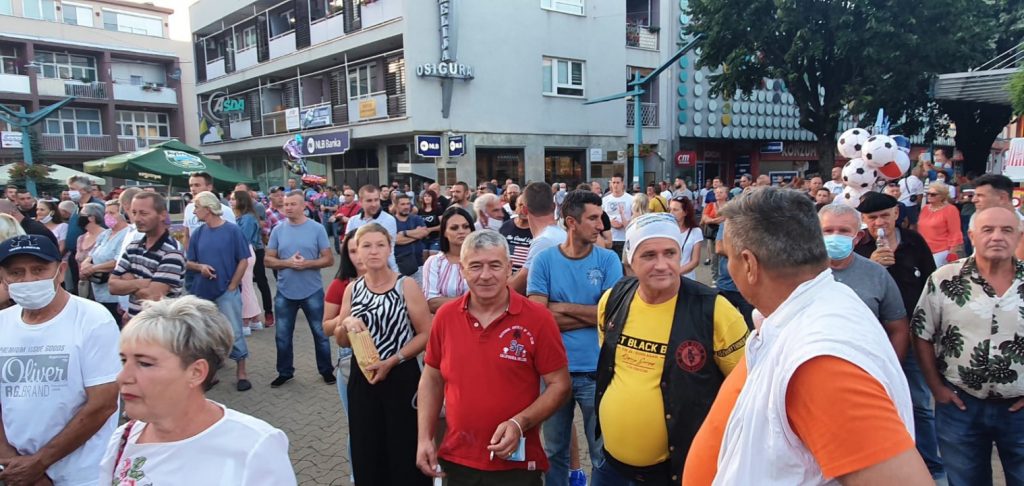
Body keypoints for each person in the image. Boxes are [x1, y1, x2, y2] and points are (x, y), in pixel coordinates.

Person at [683, 187, 927, 485]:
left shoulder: (820, 361)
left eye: (729, 258)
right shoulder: (801, 315)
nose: (728, 267)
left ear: (749, 264)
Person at [593, 213, 748, 484]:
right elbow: (612, 367)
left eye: (670, 253)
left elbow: (747, 390)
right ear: (630, 259)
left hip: (678, 470)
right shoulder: (613, 299)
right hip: (610, 466)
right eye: (649, 255)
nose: (662, 265)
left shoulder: (714, 310)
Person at [417, 229, 570, 485]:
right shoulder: (445, 317)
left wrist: (520, 422)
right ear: (463, 270)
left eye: (495, 265)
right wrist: (425, 437)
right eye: (475, 266)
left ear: (509, 268)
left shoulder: (538, 318)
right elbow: (431, 378)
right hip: (457, 459)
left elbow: (560, 385)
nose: (485, 275)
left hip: (517, 462)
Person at [97, 296, 295, 485]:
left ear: (196, 372)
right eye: (124, 361)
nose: (122, 377)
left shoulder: (254, 447)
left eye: (145, 363)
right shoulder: (123, 439)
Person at [912, 206, 1024, 485]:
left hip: (1020, 409)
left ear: (1019, 236)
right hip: (960, 405)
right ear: (971, 235)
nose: (997, 236)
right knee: (965, 481)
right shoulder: (945, 279)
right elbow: (921, 333)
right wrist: (936, 389)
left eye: (1007, 230)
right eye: (988, 230)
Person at [0, 234, 120, 486]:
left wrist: (40, 463)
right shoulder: (3, 324)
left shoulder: (92, 320)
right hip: (17, 472)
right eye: (16, 273)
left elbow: (103, 403)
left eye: (39, 270)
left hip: (81, 474)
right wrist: (12, 462)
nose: (29, 280)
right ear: (3, 277)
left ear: (61, 270)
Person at [527, 190, 621, 486]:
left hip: (597, 371)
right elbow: (537, 318)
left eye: (601, 218)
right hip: (554, 373)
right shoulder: (544, 261)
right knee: (554, 451)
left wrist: (561, 307)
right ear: (571, 222)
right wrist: (592, 314)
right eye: (593, 218)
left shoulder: (608, 260)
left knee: (602, 453)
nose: (601, 225)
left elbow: (613, 317)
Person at [333, 223, 433, 485]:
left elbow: (426, 333)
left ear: (390, 248)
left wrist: (394, 359)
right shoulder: (352, 289)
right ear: (356, 252)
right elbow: (341, 339)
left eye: (380, 245)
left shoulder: (406, 285)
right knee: (367, 448)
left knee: (404, 449)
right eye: (366, 246)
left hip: (401, 376)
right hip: (363, 377)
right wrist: (346, 324)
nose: (373, 251)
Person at [853, 191, 943, 480]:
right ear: (864, 221)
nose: (879, 222)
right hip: (872, 338)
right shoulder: (858, 247)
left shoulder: (914, 242)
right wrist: (873, 267)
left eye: (885, 215)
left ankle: (929, 462)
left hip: (915, 336)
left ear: (896, 215)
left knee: (918, 400)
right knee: (873, 402)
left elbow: (932, 284)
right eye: (872, 218)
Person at [818, 204, 909, 360]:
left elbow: (898, 328)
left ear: (858, 237)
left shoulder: (876, 274)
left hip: (865, 368)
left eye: (844, 231)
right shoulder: (796, 274)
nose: (835, 236)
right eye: (828, 231)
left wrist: (888, 370)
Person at [264, 191, 335, 387]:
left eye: (292, 204)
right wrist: (287, 262)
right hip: (285, 291)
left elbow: (329, 259)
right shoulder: (278, 230)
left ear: (303, 206)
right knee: (282, 336)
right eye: (285, 204)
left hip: (312, 291)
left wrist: (307, 264)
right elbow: (268, 260)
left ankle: (326, 370)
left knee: (321, 334)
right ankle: (285, 372)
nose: (288, 208)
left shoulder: (317, 229)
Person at [185, 191, 252, 392]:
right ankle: (211, 373)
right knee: (205, 335)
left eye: (197, 207)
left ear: (208, 208)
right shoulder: (198, 233)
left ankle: (241, 372)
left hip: (226, 290)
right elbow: (189, 262)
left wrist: (233, 285)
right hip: (203, 291)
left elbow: (243, 260)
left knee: (234, 331)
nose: (194, 212)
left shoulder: (232, 231)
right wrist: (200, 268)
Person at [321, 229, 362, 478]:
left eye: (366, 247)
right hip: (350, 361)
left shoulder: (397, 282)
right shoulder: (341, 284)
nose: (361, 255)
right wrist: (346, 319)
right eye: (354, 250)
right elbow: (325, 327)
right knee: (357, 426)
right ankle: (357, 476)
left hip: (390, 361)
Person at [109, 192, 185, 320]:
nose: (137, 219)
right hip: (136, 324)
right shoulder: (133, 247)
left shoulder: (171, 253)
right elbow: (112, 286)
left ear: (162, 215)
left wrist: (128, 280)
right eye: (134, 213)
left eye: (144, 213)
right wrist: (141, 282)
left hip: (158, 328)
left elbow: (153, 297)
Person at [81, 200, 130, 328]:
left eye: (112, 213)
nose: (108, 216)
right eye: (106, 213)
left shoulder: (127, 234)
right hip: (97, 289)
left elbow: (118, 261)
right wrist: (86, 263)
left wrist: (94, 268)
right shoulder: (105, 233)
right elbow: (92, 253)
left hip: (114, 292)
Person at [510, 182, 567, 294]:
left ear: (525, 210)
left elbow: (516, 287)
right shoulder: (561, 234)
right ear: (554, 206)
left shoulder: (544, 241)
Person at [422, 207, 474, 312]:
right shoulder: (434, 262)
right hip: (446, 322)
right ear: (444, 232)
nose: (461, 231)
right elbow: (431, 302)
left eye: (466, 227)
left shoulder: (483, 260)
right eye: (454, 228)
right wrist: (472, 303)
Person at [231, 190, 266, 332]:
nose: (231, 201)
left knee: (245, 287)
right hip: (246, 252)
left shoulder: (247, 219)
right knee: (247, 287)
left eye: (234, 199)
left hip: (244, 252)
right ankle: (254, 319)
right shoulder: (245, 217)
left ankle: (245, 321)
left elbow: (243, 239)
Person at [346, 185, 399, 272]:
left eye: (376, 200)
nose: (374, 204)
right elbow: (349, 248)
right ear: (360, 202)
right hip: (358, 271)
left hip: (385, 270)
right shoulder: (352, 221)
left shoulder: (389, 220)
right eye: (369, 201)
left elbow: (387, 249)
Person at [181, 172, 236, 255]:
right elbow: (186, 235)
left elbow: (232, 238)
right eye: (191, 185)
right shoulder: (189, 208)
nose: (193, 189)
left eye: (197, 185)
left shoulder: (225, 210)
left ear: (209, 187)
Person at [918, 181, 963, 267]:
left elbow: (955, 232)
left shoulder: (950, 210)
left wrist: (952, 252)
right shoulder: (925, 209)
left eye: (933, 194)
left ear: (942, 196)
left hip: (941, 252)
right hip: (923, 251)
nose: (929, 196)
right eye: (928, 194)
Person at [74, 203, 107, 298]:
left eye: (82, 214)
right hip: (84, 287)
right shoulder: (81, 238)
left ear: (92, 218)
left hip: (101, 287)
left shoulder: (106, 236)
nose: (79, 217)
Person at [394, 193, 428, 282]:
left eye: (408, 204)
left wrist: (404, 233)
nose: (406, 207)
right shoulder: (391, 221)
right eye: (403, 204)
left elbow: (424, 232)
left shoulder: (416, 219)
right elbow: (396, 240)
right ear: (396, 206)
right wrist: (416, 235)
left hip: (418, 265)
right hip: (399, 267)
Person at [671, 196, 704, 280]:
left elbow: (695, 261)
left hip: (686, 279)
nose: (671, 213)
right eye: (670, 209)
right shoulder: (666, 230)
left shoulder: (695, 232)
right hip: (667, 279)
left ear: (685, 212)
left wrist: (676, 273)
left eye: (675, 210)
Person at [602, 174, 634, 258]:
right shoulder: (605, 200)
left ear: (622, 183)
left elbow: (634, 216)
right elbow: (600, 217)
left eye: (618, 182)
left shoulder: (631, 199)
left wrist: (624, 223)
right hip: (609, 239)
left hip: (624, 238)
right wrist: (610, 223)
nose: (615, 185)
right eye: (613, 182)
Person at [500, 194, 532, 273]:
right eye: (520, 205)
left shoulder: (537, 230)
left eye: (527, 206)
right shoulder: (505, 226)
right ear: (515, 207)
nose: (523, 209)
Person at [701, 186, 728, 275]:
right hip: (713, 234)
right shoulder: (710, 205)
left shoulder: (730, 206)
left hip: (726, 234)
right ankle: (715, 276)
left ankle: (725, 275)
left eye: (721, 192)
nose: (718, 194)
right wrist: (719, 220)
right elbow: (705, 219)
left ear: (726, 194)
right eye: (716, 192)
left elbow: (731, 218)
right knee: (714, 256)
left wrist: (712, 220)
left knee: (725, 255)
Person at [335, 187, 362, 253]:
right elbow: (333, 218)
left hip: (354, 236)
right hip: (343, 236)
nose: (345, 197)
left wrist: (349, 220)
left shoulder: (359, 208)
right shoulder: (342, 207)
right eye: (344, 195)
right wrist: (337, 217)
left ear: (353, 197)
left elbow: (362, 222)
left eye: (348, 195)